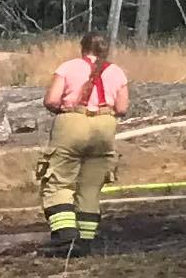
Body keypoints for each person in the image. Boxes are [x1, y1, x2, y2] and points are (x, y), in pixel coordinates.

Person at [41, 30, 130, 253]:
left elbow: (51, 100)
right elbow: (122, 108)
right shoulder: (117, 72)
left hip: (72, 123)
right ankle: (86, 241)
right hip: (104, 126)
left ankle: (66, 238)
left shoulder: (68, 67)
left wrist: (65, 108)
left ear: (83, 47)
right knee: (91, 186)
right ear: (106, 49)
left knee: (59, 181)